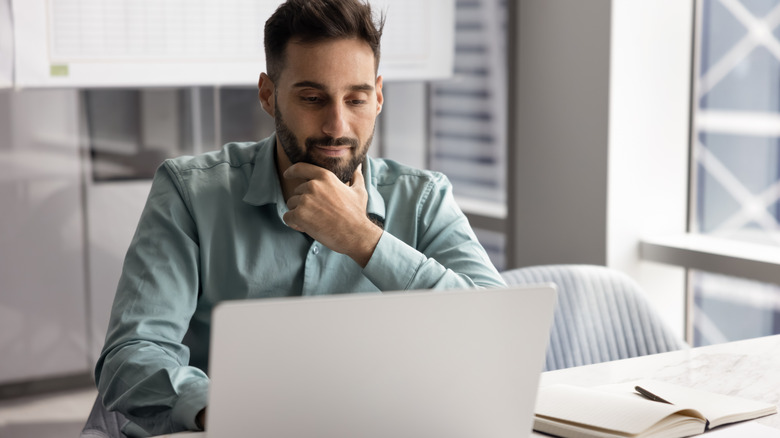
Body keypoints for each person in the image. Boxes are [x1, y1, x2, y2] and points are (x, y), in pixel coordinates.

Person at [94, 0, 506, 436]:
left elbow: (497, 334)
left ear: (379, 97)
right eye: (312, 98)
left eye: (356, 98)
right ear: (268, 95)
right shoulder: (189, 192)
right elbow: (132, 353)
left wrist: (363, 239)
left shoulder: (424, 199)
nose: (337, 124)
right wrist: (223, 411)